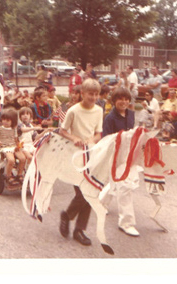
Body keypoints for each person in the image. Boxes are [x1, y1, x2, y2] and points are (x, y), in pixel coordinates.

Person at [59, 78, 103, 246]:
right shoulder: (73, 111)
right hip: (75, 155)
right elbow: (62, 131)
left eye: (96, 94)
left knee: (90, 193)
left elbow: (99, 133)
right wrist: (74, 137)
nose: (93, 97)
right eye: (90, 94)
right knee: (82, 193)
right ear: (82, 94)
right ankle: (68, 216)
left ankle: (79, 229)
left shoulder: (99, 111)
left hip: (91, 154)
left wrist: (92, 139)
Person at [99, 87, 139, 236]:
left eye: (126, 99)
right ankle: (126, 222)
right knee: (124, 187)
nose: (124, 102)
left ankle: (100, 203)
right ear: (114, 101)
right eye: (120, 99)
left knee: (118, 183)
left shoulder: (131, 115)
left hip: (129, 154)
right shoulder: (109, 118)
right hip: (115, 155)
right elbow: (106, 139)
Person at [0, 108, 26, 185]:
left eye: (8, 120)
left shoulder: (13, 129)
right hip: (5, 147)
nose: (5, 122)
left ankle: (19, 174)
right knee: (11, 160)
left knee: (23, 158)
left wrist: (19, 145)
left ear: (12, 121)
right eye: (4, 119)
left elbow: (16, 139)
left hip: (13, 146)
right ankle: (8, 175)